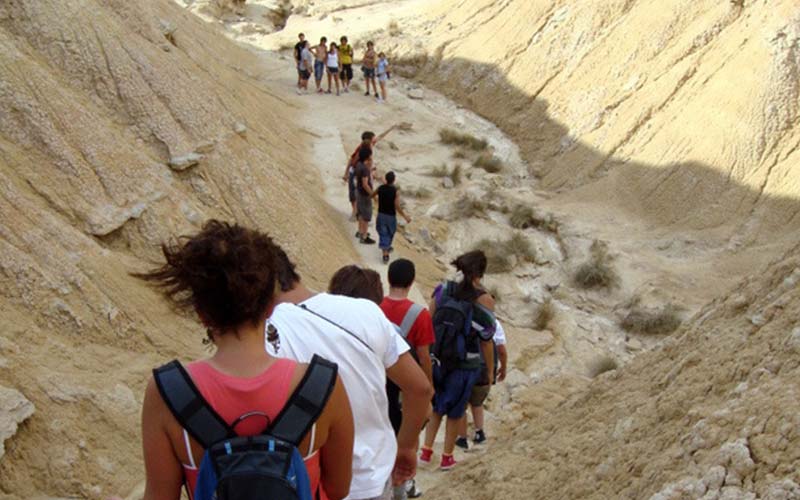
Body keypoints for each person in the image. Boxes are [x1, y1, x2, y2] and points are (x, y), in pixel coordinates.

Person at [137, 220, 354, 500]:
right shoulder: (323, 384)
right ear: (270, 305)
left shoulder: (167, 392)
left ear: (202, 312)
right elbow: (338, 489)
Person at [266, 249, 434, 500]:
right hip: (373, 475)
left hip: (309, 480)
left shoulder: (269, 331)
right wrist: (407, 445)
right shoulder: (372, 314)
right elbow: (421, 389)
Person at [420, 251, 496, 471]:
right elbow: (487, 340)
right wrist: (489, 371)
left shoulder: (444, 289)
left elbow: (430, 316)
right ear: (481, 272)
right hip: (465, 364)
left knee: (437, 406)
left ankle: (425, 452)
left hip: (439, 359)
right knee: (455, 411)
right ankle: (446, 457)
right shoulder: (484, 299)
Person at [380, 259, 433, 500]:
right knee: (408, 435)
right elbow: (423, 356)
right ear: (411, 282)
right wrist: (428, 388)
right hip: (406, 387)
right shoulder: (419, 314)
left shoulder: (375, 307)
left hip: (380, 383)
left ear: (389, 279)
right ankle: (405, 484)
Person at [455, 319, 508, 450]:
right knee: (477, 402)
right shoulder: (494, 322)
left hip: (464, 367)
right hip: (484, 369)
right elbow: (501, 349)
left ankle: (462, 438)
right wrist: (503, 367)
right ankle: (479, 433)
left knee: (462, 403)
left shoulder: (464, 317)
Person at [342, 127, 397, 222]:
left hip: (362, 172)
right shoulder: (362, 150)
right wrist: (346, 173)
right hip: (356, 173)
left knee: (359, 193)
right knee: (355, 193)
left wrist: (392, 128)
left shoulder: (370, 145)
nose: (375, 139)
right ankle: (355, 213)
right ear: (369, 139)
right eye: (373, 138)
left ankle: (358, 213)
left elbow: (381, 136)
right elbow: (352, 161)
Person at [372, 171, 410, 263]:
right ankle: (385, 254)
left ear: (386, 179)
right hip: (391, 216)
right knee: (390, 232)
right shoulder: (395, 191)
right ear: (394, 180)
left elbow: (372, 195)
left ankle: (386, 248)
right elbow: (397, 206)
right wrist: (405, 216)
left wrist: (376, 199)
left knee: (382, 232)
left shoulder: (380, 188)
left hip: (381, 214)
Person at [354, 147, 376, 245]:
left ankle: (360, 231)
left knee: (360, 214)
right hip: (365, 195)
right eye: (370, 157)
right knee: (366, 216)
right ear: (367, 159)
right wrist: (373, 195)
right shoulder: (365, 169)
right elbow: (365, 184)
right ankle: (364, 236)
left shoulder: (358, 164)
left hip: (359, 192)